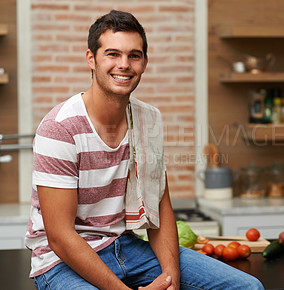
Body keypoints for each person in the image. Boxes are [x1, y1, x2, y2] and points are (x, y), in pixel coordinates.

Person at [25, 10, 264, 290]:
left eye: (134, 56)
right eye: (112, 54)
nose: (124, 65)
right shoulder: (59, 128)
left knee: (248, 287)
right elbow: (60, 237)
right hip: (62, 261)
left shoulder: (148, 119)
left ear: (144, 62)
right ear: (91, 58)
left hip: (126, 247)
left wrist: (170, 279)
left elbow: (160, 208)